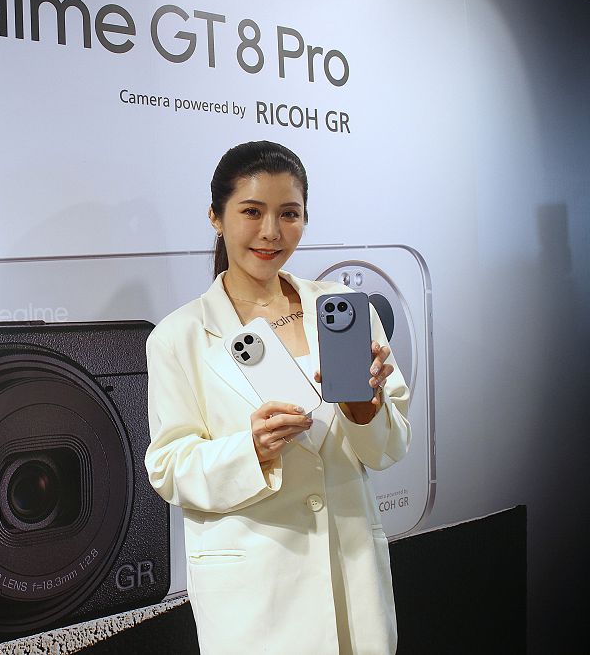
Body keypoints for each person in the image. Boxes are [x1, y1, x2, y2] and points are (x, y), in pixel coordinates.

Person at [144, 141, 410, 655]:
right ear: (216, 217)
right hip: (256, 599)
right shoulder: (179, 336)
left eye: (289, 214)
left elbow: (390, 449)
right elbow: (169, 467)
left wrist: (366, 412)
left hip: (351, 573)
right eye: (252, 211)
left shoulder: (344, 310)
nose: (271, 232)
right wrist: (252, 449)